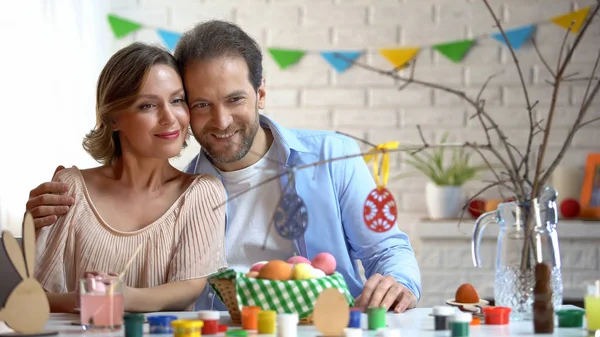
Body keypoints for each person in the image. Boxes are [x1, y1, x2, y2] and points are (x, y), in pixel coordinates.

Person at [26, 20, 421, 313]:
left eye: (235, 100)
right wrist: (41, 222)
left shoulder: (336, 157)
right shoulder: (193, 192)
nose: (221, 120)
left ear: (260, 93)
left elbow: (388, 248)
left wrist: (399, 283)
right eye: (200, 104)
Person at [33, 42, 227, 313]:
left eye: (177, 100)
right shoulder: (70, 189)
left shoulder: (202, 193)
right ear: (113, 119)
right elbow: (35, 298)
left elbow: (187, 289)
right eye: (147, 105)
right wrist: (88, 299)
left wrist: (117, 297)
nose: (170, 118)